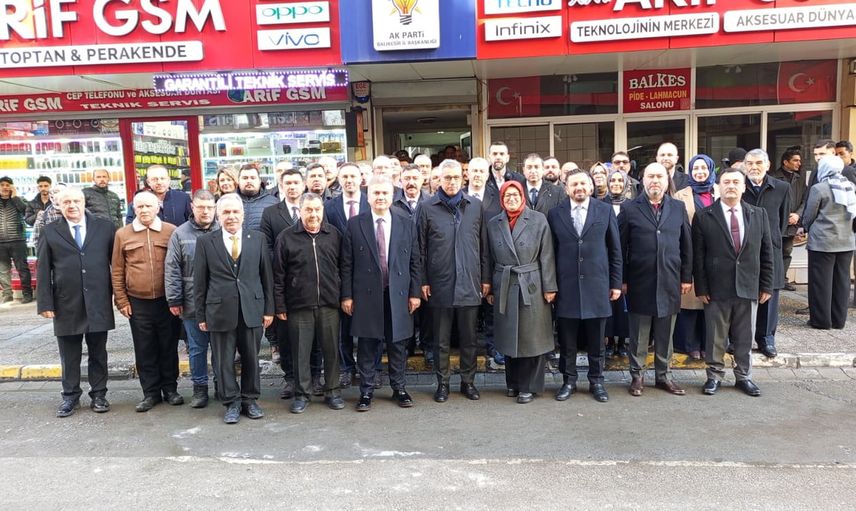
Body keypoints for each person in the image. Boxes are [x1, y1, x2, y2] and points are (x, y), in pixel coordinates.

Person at [340, 176, 421, 411]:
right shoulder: (355, 224)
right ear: (368, 196)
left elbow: (415, 261)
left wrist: (415, 293)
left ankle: (399, 388)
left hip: (398, 293)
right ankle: (366, 391)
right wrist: (347, 295)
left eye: (385, 193)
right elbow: (346, 263)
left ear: (392, 196)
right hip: (366, 294)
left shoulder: (406, 222)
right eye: (376, 193)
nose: (380, 197)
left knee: (398, 344)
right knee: (367, 344)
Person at [693, 167, 773, 397]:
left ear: (744, 187)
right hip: (716, 288)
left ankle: (744, 376)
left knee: (745, 337)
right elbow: (699, 256)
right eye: (726, 182)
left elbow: (767, 252)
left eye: (736, 182)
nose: (731, 186)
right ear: (718, 186)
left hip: (748, 285)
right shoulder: (704, 215)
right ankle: (714, 376)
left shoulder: (758, 214)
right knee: (716, 337)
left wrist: (766, 284)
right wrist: (701, 287)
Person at [194, 193, 273, 424]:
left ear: (243, 214)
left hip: (252, 309)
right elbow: (200, 282)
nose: (231, 216)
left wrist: (269, 309)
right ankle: (231, 402)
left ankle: (250, 399)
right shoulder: (206, 242)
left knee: (251, 358)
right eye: (226, 212)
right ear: (218, 216)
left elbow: (266, 277)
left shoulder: (257, 239)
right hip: (219, 311)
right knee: (223, 360)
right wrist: (201, 314)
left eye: (235, 212)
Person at [37, 188, 116, 418]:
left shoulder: (105, 227)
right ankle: (70, 396)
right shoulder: (50, 231)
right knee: (69, 354)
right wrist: (45, 303)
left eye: (76, 201)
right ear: (59, 205)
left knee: (98, 351)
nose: (72, 205)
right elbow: (43, 269)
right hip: (65, 302)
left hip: (98, 300)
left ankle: (99, 394)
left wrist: (119, 296)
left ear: (84, 202)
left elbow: (117, 265)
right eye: (66, 202)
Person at [417, 159, 490, 403]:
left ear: (463, 178)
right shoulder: (427, 207)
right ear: (439, 179)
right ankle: (443, 383)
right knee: (441, 340)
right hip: (440, 283)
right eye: (447, 177)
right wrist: (423, 280)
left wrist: (485, 278)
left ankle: (468, 382)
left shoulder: (475, 206)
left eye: (456, 177)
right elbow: (420, 248)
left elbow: (483, 246)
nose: (451, 182)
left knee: (469, 339)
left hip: (470, 281)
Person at [619, 162, 693, 397]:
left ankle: (664, 376)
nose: (655, 181)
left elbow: (687, 245)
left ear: (666, 180)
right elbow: (620, 248)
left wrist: (686, 277)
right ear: (643, 180)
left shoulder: (678, 207)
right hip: (639, 280)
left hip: (671, 279)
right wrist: (621, 279)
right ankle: (637, 375)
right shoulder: (629, 208)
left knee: (665, 332)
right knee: (639, 333)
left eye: (659, 176)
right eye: (650, 176)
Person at [548, 169, 622, 403]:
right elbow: (550, 253)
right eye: (574, 184)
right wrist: (551, 285)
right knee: (567, 341)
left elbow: (615, 250)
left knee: (596, 341)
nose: (579, 188)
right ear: (566, 188)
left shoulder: (605, 210)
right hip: (566, 286)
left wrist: (616, 283)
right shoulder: (555, 214)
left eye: (583, 183)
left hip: (597, 285)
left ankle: (596, 381)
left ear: (591, 187)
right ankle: (568, 381)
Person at [485, 181, 557, 404]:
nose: (511, 199)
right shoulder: (493, 223)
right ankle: (513, 383)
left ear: (522, 196)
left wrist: (550, 287)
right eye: (507, 196)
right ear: (501, 199)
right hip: (504, 283)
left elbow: (547, 255)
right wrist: (489, 286)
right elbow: (488, 257)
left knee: (531, 338)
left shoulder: (538, 219)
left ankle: (529, 386)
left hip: (532, 284)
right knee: (509, 336)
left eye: (515, 194)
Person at [273, 193, 344, 414]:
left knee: (331, 351)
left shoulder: (334, 235)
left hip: (329, 304)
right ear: (300, 211)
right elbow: (278, 275)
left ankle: (332, 391)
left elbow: (344, 267)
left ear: (322, 210)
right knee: (300, 353)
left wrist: (343, 296)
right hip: (298, 305)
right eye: (308, 210)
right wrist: (280, 305)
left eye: (317, 210)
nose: (313, 214)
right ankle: (302, 394)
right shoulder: (286, 237)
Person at [112, 191, 182, 412]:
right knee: (144, 349)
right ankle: (150, 393)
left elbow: (180, 265)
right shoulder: (123, 234)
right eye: (139, 206)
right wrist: (121, 300)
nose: (144, 210)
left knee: (168, 346)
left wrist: (179, 297)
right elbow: (117, 270)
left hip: (166, 301)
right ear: (133, 209)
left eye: (148, 206)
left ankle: (170, 389)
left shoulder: (171, 231)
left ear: (157, 207)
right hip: (138, 302)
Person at [165, 190, 220, 409]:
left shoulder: (223, 229)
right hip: (191, 303)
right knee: (197, 349)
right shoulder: (180, 234)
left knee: (221, 347)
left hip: (220, 302)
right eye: (201, 207)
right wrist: (174, 299)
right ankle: (200, 389)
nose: (205, 211)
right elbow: (172, 269)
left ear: (215, 208)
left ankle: (222, 384)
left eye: (209, 207)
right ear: (192, 207)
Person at [324, 163, 369, 388]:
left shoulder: (371, 202)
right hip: (339, 273)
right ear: (339, 180)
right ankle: (346, 368)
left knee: (369, 325)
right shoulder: (329, 207)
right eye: (345, 177)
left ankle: (369, 369)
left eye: (353, 176)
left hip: (368, 272)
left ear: (361, 178)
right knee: (344, 326)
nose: (349, 180)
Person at [742, 149, 791, 357]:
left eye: (758, 163)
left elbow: (783, 221)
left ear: (768, 165)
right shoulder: (739, 185)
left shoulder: (782, 188)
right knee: (743, 296)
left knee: (769, 294)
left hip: (771, 248)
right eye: (749, 163)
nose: (754, 167)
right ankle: (739, 338)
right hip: (743, 250)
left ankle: (766, 338)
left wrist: (771, 240)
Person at [672, 154, 719, 359]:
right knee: (690, 301)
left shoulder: (720, 191)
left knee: (711, 300)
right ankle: (689, 344)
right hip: (691, 250)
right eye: (695, 169)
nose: (700, 172)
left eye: (704, 168)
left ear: (710, 170)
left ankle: (709, 343)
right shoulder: (680, 195)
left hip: (716, 252)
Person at [802, 155, 856, 330]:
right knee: (842, 282)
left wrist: (804, 227)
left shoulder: (819, 188)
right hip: (847, 241)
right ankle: (838, 320)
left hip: (822, 242)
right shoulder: (851, 186)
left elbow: (809, 215)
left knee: (820, 282)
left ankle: (821, 321)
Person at [603, 168, 634, 357]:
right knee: (608, 304)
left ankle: (622, 342)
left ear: (625, 184)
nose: (616, 184)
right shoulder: (600, 204)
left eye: (619, 181)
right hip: (604, 262)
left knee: (623, 307)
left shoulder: (632, 207)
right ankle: (608, 341)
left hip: (627, 261)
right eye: (612, 180)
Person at [769, 146, 805, 292]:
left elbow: (805, 199)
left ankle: (783, 280)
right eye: (795, 160)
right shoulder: (773, 177)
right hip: (776, 222)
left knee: (787, 251)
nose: (799, 163)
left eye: (799, 161)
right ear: (785, 162)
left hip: (792, 223)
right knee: (772, 252)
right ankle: (772, 280)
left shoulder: (799, 179)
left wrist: (797, 215)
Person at [0, 176, 32, 304]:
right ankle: (7, 294)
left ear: (12, 187)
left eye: (8, 185)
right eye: (2, 185)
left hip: (18, 240)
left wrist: (15, 197)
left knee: (22, 268)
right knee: (3, 270)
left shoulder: (18, 200)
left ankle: (27, 294)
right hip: (1, 242)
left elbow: (25, 212)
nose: (5, 187)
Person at [125, 165, 191, 226]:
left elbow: (191, 224)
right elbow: (130, 227)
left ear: (168, 180)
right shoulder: (139, 201)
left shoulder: (183, 198)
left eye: (162, 178)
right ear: (148, 182)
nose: (159, 182)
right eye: (154, 179)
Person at [237, 164, 278, 232]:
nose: (249, 181)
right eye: (245, 178)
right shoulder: (230, 201)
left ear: (259, 181)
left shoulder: (273, 203)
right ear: (238, 181)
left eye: (253, 178)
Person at [30, 182, 67, 247]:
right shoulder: (44, 215)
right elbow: (37, 240)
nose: (60, 195)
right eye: (56, 192)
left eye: (64, 192)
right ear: (52, 196)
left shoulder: (78, 212)